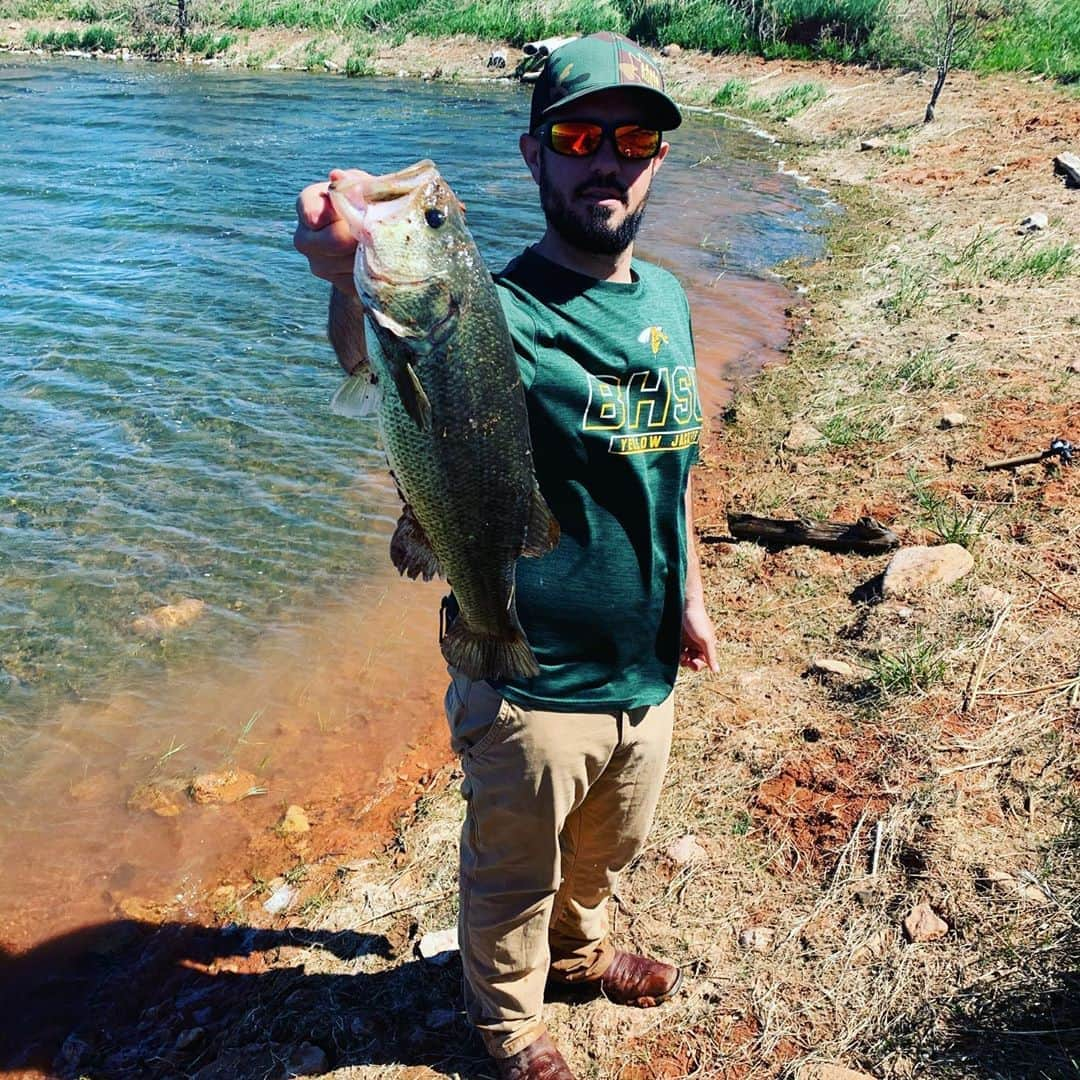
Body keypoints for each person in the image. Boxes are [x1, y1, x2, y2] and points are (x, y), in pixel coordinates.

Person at [293, 31, 719, 1080]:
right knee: (511, 872)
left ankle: (579, 960)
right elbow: (375, 346)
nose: (605, 158)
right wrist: (346, 268)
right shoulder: (494, 307)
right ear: (537, 156)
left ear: (659, 158)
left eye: (633, 137)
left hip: (645, 659)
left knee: (606, 851)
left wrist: (693, 598)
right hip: (533, 669)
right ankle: (512, 1029)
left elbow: (671, 471)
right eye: (578, 135)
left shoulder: (663, 299)